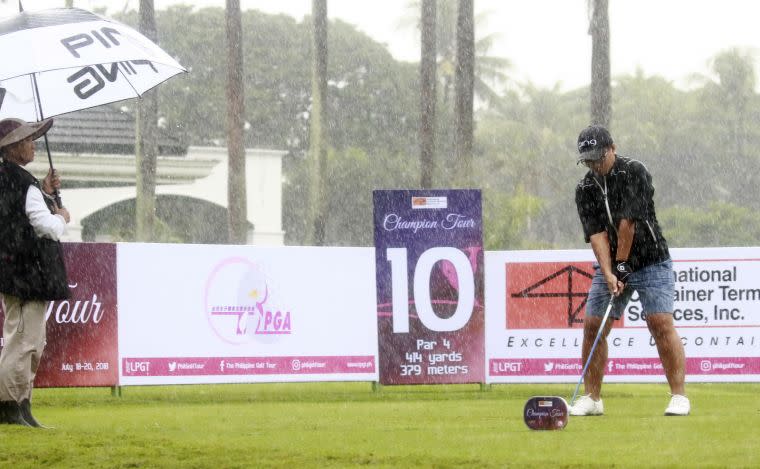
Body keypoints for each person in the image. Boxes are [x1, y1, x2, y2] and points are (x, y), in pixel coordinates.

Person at [572, 124, 689, 416]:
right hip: (612, 264)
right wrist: (609, 272)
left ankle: (678, 396)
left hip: (651, 260)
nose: (594, 165)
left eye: (598, 157)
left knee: (660, 323)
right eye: (588, 160)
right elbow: (597, 234)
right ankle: (592, 398)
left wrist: (622, 267)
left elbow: (627, 223)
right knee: (593, 327)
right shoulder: (585, 189)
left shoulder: (634, 172)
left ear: (612, 148)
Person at [0, 117, 70, 427]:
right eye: (28, 140)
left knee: (26, 339)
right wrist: (62, 217)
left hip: (13, 270)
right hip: (30, 272)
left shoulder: (8, 178)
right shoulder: (22, 182)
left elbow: (16, 213)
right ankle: (10, 405)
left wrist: (42, 188)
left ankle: (20, 405)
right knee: (26, 341)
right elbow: (46, 226)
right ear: (13, 148)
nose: (33, 144)